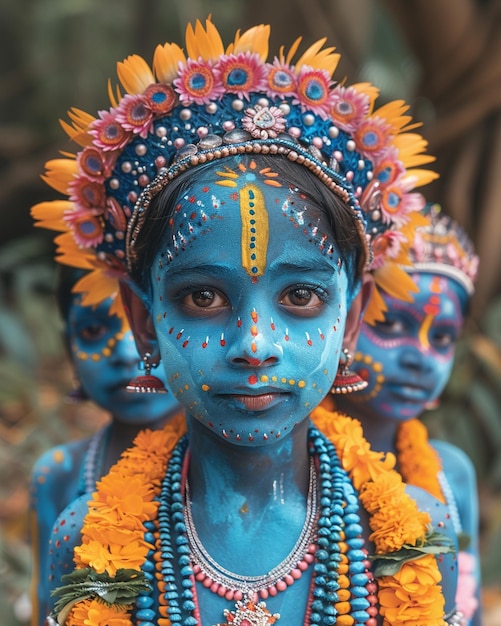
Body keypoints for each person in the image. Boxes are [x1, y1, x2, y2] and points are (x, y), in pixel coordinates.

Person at [33, 19, 463, 625]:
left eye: (303, 296)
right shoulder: (81, 540)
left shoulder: (416, 534)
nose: (254, 345)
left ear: (351, 320)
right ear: (143, 320)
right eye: (204, 298)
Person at [333, 203, 481, 625]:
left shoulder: (451, 474)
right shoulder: (298, 468)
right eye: (392, 325)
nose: (421, 358)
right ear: (345, 322)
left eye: (442, 337)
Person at [29, 266, 183, 625]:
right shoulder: (59, 475)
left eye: (150, 327)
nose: (127, 353)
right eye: (94, 330)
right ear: (70, 347)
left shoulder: (235, 464)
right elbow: (46, 610)